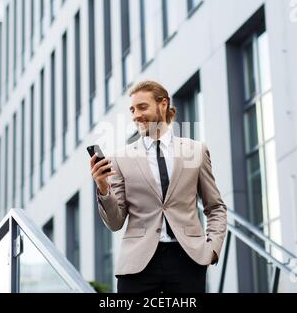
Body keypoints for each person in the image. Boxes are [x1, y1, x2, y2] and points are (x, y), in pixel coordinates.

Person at [90, 80, 227, 293]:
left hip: (188, 259)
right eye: (132, 110)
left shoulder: (196, 151)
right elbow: (115, 222)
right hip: (138, 263)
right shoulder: (121, 158)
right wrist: (103, 188)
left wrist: (213, 249)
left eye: (142, 107)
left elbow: (215, 207)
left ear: (163, 105)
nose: (136, 115)